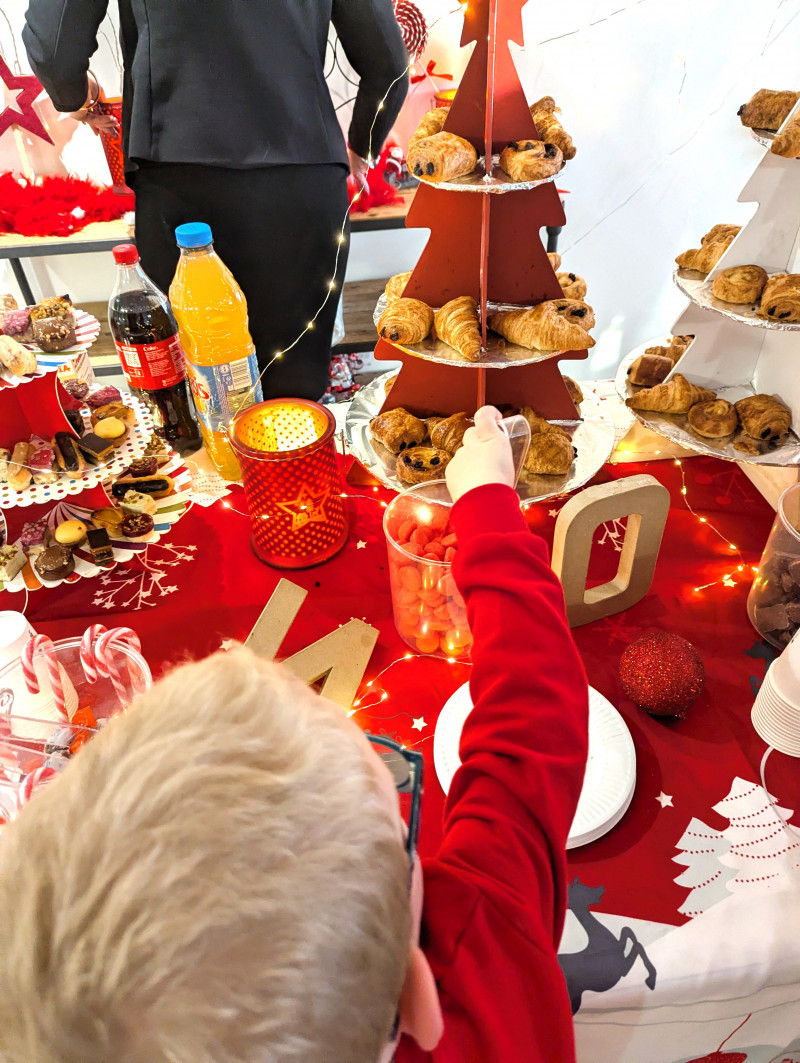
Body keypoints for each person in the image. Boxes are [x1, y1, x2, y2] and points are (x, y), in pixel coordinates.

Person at [0, 407, 589, 1063]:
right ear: (419, 995)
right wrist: (488, 506)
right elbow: (533, 710)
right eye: (396, 802)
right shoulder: (483, 973)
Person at [22, 0, 408, 401]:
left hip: (178, 173)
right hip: (302, 170)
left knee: (204, 391)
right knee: (293, 392)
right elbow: (388, 65)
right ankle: (293, 463)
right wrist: (362, 146)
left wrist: (76, 96)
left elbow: (53, 47)